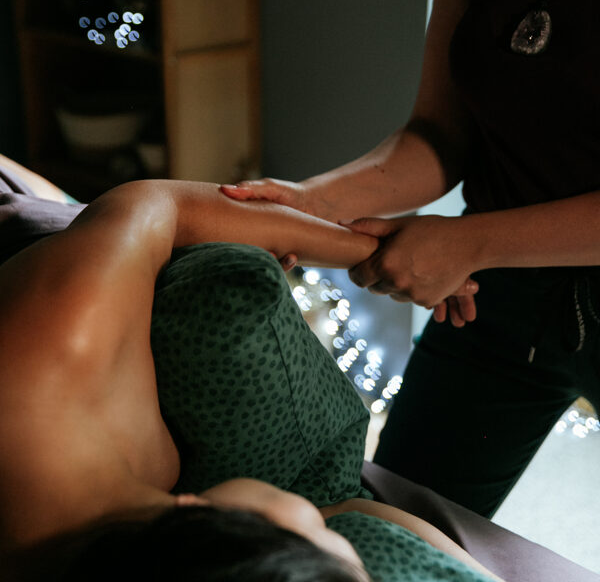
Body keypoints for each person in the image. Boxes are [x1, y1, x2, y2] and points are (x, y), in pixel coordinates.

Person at [0, 174, 503, 581]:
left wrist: (375, 259)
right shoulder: (138, 543)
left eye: (319, 534)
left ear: (207, 521)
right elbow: (342, 512)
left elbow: (160, 204)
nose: (325, 524)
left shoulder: (64, 344)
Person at [220, 0, 600, 518]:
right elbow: (441, 133)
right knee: (393, 519)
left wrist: (469, 243)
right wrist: (312, 202)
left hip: (485, 258)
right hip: (493, 295)